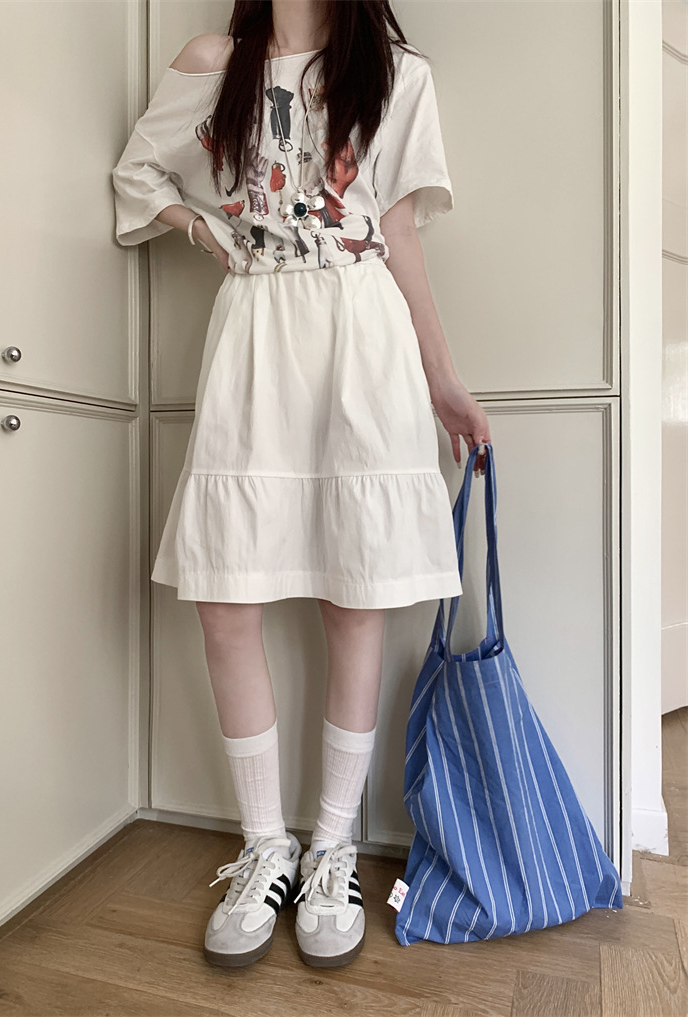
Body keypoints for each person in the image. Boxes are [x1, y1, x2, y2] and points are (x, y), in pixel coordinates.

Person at [112, 0, 492, 970]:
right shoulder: (214, 61)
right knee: (226, 599)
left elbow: (399, 234)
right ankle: (264, 846)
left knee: (352, 597)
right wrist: (207, 233)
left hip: (361, 337)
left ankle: (330, 849)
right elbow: (139, 172)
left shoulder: (397, 74)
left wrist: (444, 380)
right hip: (254, 334)